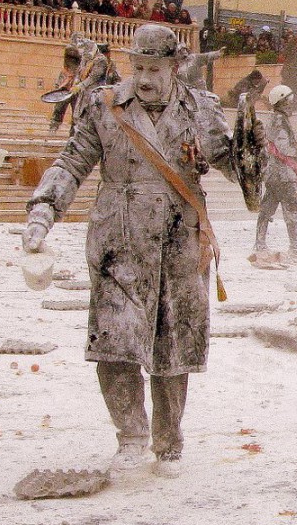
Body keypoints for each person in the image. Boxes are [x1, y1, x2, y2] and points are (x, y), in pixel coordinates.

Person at [22, 24, 241, 478]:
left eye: (154, 69)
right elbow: (72, 161)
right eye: (138, 67)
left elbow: (239, 169)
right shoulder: (104, 106)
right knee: (115, 341)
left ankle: (168, 443)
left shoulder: (201, 109)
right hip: (117, 240)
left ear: (175, 67)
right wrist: (42, 212)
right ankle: (130, 438)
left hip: (180, 241)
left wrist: (256, 159)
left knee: (172, 344)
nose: (143, 78)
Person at [254, 84, 297, 258]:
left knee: (267, 208)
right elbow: (283, 146)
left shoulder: (276, 119)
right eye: (288, 101)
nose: (291, 104)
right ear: (281, 102)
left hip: (273, 173)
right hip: (283, 173)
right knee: (291, 207)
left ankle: (260, 242)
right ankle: (295, 244)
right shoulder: (279, 120)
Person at [48, 44, 83, 131]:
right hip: (64, 92)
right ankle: (53, 128)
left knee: (76, 115)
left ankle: (74, 133)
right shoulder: (65, 71)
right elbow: (60, 82)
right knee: (58, 111)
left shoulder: (80, 70)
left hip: (75, 91)